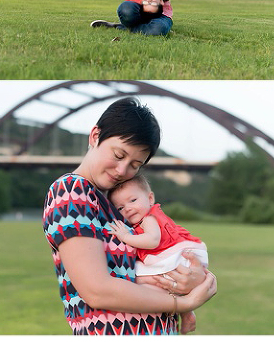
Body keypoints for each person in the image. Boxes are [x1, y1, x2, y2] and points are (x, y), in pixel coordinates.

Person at [42, 97, 216, 335]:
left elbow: (157, 258)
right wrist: (184, 304)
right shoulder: (71, 191)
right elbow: (97, 290)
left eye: (135, 164)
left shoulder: (117, 203)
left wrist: (196, 277)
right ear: (95, 136)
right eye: (118, 155)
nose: (123, 171)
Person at [107, 175, 209, 334]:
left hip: (174, 256)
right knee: (158, 283)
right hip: (176, 256)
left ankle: (182, 308)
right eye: (120, 208)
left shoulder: (148, 219)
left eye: (133, 200)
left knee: (141, 281)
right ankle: (186, 312)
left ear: (150, 198)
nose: (127, 208)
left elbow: (152, 241)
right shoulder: (146, 218)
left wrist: (125, 237)